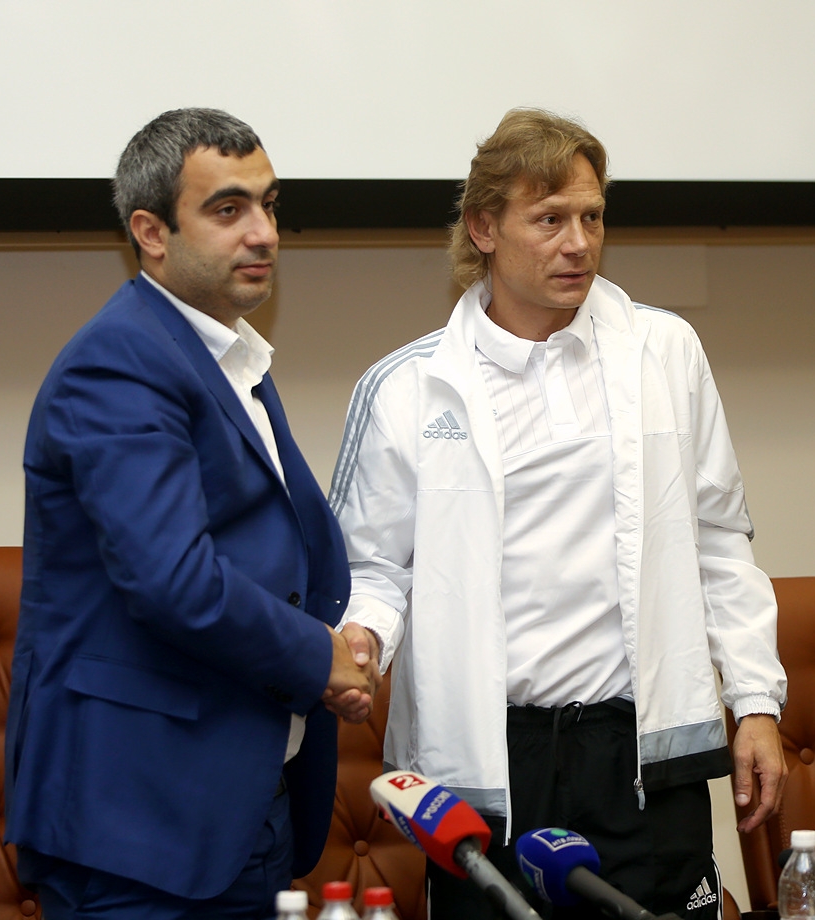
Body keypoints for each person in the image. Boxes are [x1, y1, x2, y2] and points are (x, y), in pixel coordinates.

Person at [330, 108, 788, 919]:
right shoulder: (405, 386)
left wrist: (754, 701)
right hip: (489, 762)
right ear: (483, 228)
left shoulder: (664, 351)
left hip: (639, 755)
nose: (578, 243)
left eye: (591, 217)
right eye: (548, 220)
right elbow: (372, 568)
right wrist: (361, 637)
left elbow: (718, 541)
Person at [5, 107, 378, 920]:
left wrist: (332, 649)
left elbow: (265, 552)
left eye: (269, 205)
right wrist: (315, 657)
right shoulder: (120, 361)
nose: (264, 232)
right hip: (137, 821)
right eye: (227, 209)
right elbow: (173, 580)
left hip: (238, 802)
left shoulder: (222, 353)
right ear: (151, 232)